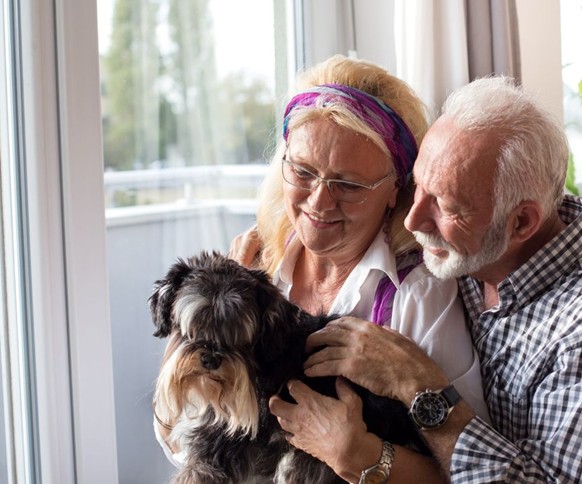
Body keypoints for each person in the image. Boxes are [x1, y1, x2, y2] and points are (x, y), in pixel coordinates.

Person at [291, 76, 582, 482]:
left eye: (446, 206)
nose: (413, 219)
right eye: (418, 187)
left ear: (521, 221)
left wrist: (421, 386)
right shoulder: (469, 254)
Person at [155, 55, 490, 483]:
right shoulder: (252, 265)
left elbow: (468, 472)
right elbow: (176, 432)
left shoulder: (418, 296)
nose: (319, 201)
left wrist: (363, 453)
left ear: (395, 189)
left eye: (349, 184)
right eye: (303, 171)